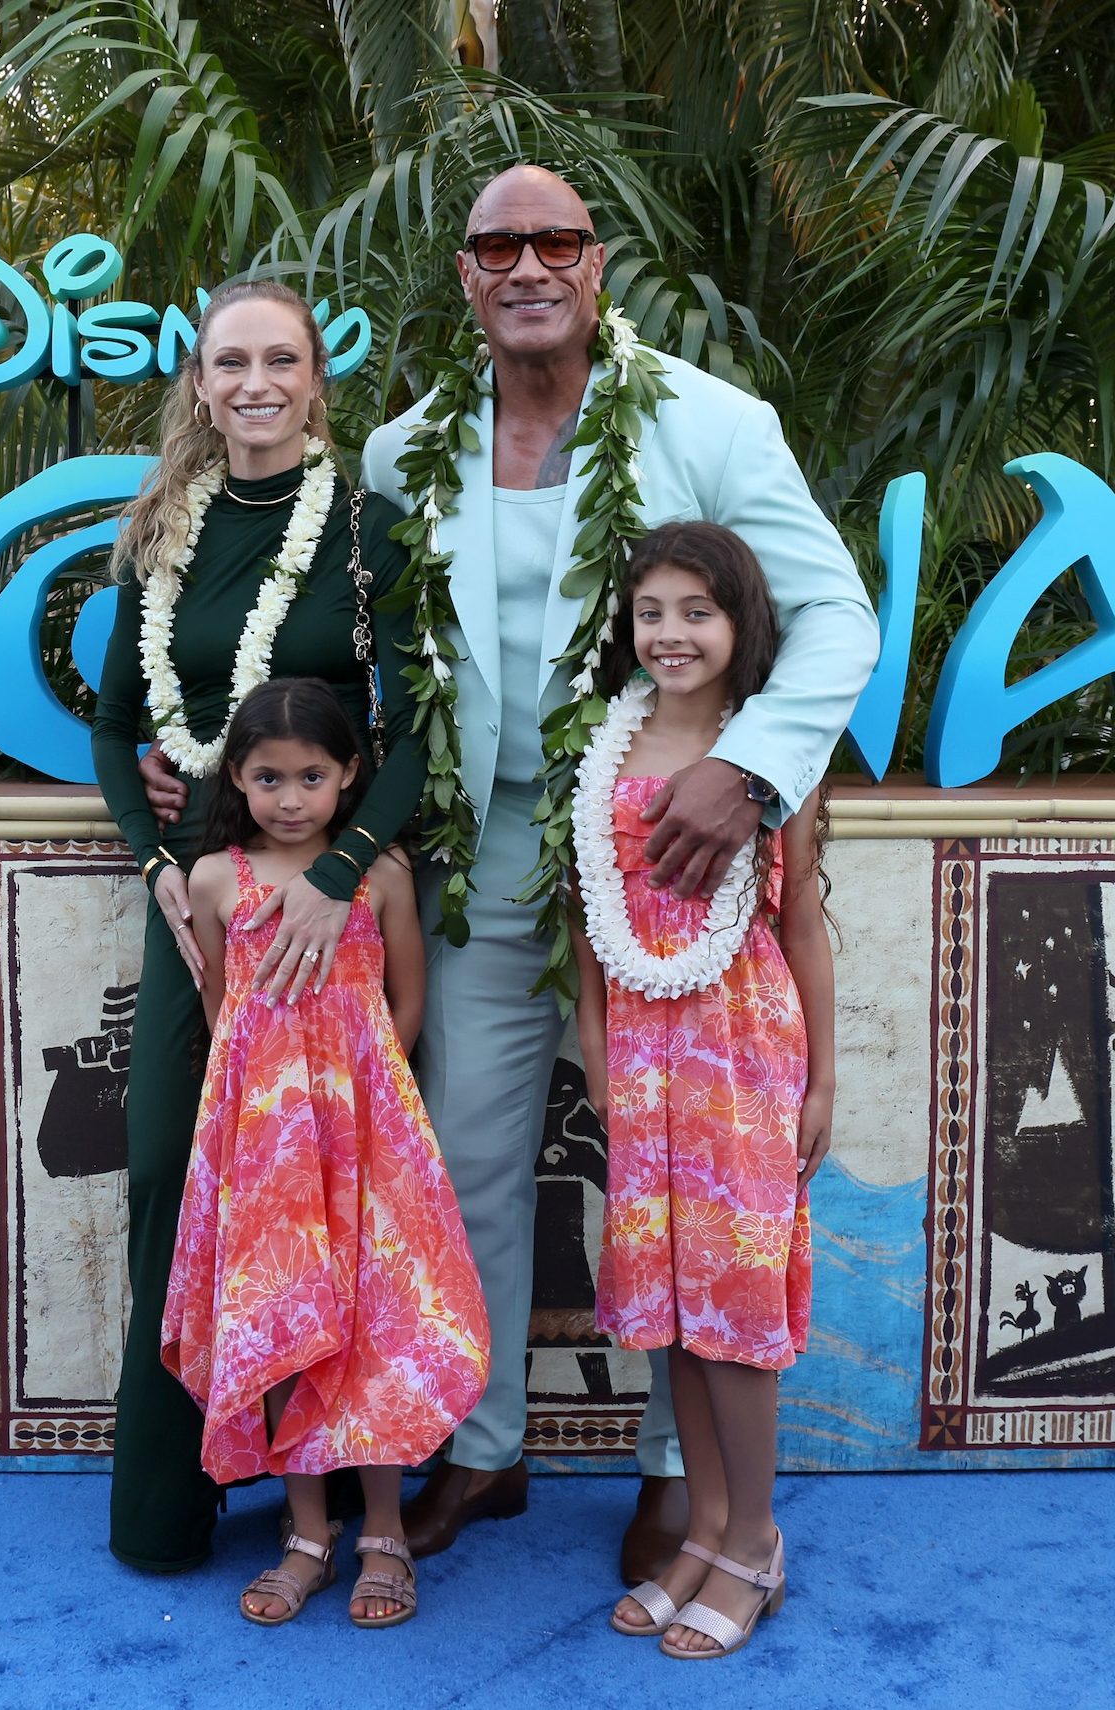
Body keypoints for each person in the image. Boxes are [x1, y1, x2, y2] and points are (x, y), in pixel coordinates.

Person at [140, 165, 879, 1577]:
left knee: (674, 1173)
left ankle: (681, 1473)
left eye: (557, 239)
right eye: (499, 244)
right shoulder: (414, 444)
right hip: (475, 866)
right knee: (465, 1161)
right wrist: (198, 758)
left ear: (598, 263)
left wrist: (754, 771)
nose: (529, 262)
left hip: (669, 854)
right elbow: (333, 650)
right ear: (468, 273)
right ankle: (482, 1451)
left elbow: (835, 608)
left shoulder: (710, 424)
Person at [92, 279, 427, 1574]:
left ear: (314, 376)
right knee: (176, 1177)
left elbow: (422, 729)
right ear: (197, 376)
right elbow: (120, 727)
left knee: (340, 1207)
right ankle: (172, 1499)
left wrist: (343, 869)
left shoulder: (363, 526)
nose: (256, 383)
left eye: (279, 358)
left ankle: (348, 1503)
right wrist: (154, 862)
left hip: (328, 911)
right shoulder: (160, 528)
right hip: (206, 906)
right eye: (231, 360)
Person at [162, 678, 488, 1627]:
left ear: (350, 774)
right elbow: (227, 1010)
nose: (292, 797)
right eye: (269, 777)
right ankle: (308, 1534)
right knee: (281, 1312)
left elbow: (407, 1001)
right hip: (265, 1142)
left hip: (367, 1130)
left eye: (313, 775)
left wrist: (373, 1099)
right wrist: (256, 1119)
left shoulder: (380, 873)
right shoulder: (219, 878)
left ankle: (382, 1528)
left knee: (373, 1315)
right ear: (237, 775)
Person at [571, 523, 832, 1659]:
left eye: (696, 612)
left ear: (740, 625)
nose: (669, 633)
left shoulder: (771, 757)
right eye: (650, 612)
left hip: (740, 1053)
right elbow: (587, 925)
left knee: (731, 1308)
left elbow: (801, 924)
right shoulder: (602, 749)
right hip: (639, 1054)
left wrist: (820, 1080)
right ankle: (707, 1526)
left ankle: (756, 1541)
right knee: (672, 1307)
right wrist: (593, 1047)